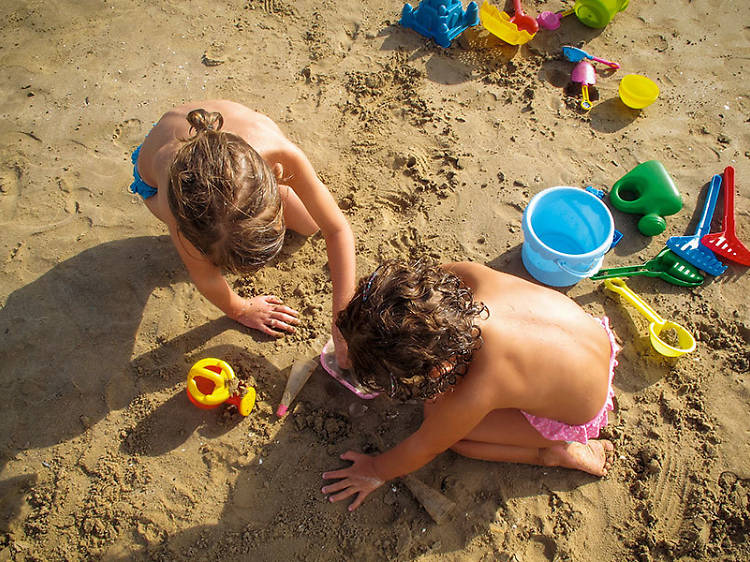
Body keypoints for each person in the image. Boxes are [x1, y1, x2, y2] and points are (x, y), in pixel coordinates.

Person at [322, 259, 618, 511]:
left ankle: (554, 452)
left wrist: (375, 470)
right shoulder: (471, 277)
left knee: (456, 436)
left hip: (580, 410)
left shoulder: (480, 385)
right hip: (592, 341)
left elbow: (425, 446)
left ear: (441, 368)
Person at [130, 100, 355, 364]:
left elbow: (337, 228)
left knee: (310, 223)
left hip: (208, 126)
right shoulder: (175, 204)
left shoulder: (279, 152)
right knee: (200, 241)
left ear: (274, 175)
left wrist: (343, 320)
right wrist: (241, 309)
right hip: (154, 179)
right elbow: (206, 279)